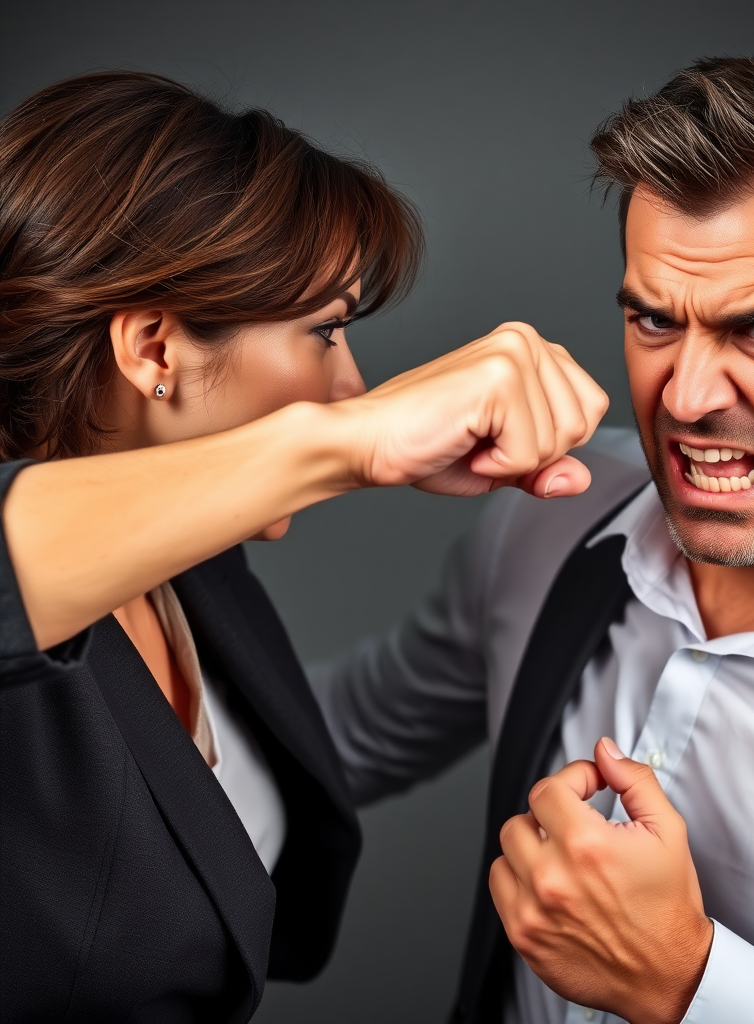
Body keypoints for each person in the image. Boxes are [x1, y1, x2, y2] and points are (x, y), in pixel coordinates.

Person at [315, 38, 754, 1024]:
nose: (684, 399)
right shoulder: (549, 513)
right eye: (654, 321)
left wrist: (690, 985)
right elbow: (318, 741)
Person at [0, 71, 607, 1022]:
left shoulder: (198, 566)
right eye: (324, 333)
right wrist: (351, 443)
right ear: (155, 349)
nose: (352, 382)